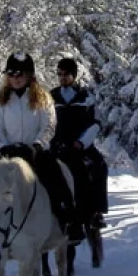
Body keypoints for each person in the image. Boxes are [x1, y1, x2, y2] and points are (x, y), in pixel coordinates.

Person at [0, 52, 86, 249]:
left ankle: (70, 221)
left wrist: (38, 144)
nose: (15, 79)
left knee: (56, 175)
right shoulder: (1, 100)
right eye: (11, 74)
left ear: (29, 76)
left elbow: (49, 125)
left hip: (35, 151)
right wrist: (2, 146)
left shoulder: (43, 98)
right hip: (7, 151)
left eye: (20, 74)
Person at [50, 57, 109, 230]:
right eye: (59, 74)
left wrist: (82, 142)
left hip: (81, 145)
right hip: (59, 145)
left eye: (66, 74)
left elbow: (95, 123)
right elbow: (46, 123)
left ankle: (96, 212)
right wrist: (54, 141)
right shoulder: (51, 97)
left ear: (74, 75)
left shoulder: (86, 96)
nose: (62, 78)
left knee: (100, 166)